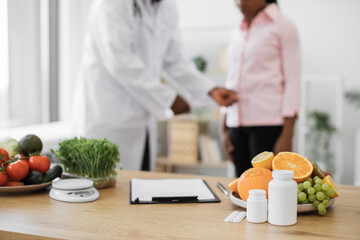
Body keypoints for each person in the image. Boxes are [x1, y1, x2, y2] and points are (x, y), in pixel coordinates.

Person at [72, 0, 237, 171]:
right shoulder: (110, 4)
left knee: (138, 187)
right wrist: (170, 99)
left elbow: (175, 59)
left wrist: (210, 89)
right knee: (106, 187)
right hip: (109, 118)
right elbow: (121, 63)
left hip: (143, 124)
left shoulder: (166, 7)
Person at [221, 0, 301, 177]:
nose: (238, 3)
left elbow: (292, 81)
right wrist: (224, 128)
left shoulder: (284, 27)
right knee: (242, 189)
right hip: (235, 124)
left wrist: (287, 134)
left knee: (268, 189)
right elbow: (231, 79)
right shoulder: (237, 31)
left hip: (268, 125)